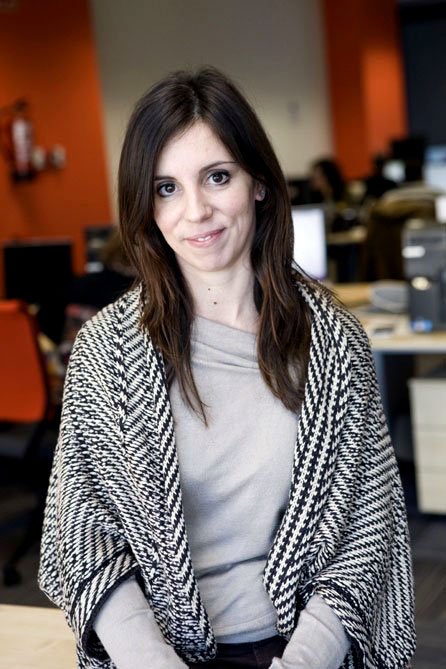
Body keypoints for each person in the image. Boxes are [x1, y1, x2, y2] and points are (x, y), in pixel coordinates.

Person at [38, 67, 416, 669]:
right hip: (156, 654)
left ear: (258, 182)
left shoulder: (334, 344)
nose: (196, 212)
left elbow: (363, 537)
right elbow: (81, 538)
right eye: (166, 188)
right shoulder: (108, 351)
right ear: (145, 204)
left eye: (218, 177)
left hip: (304, 650)